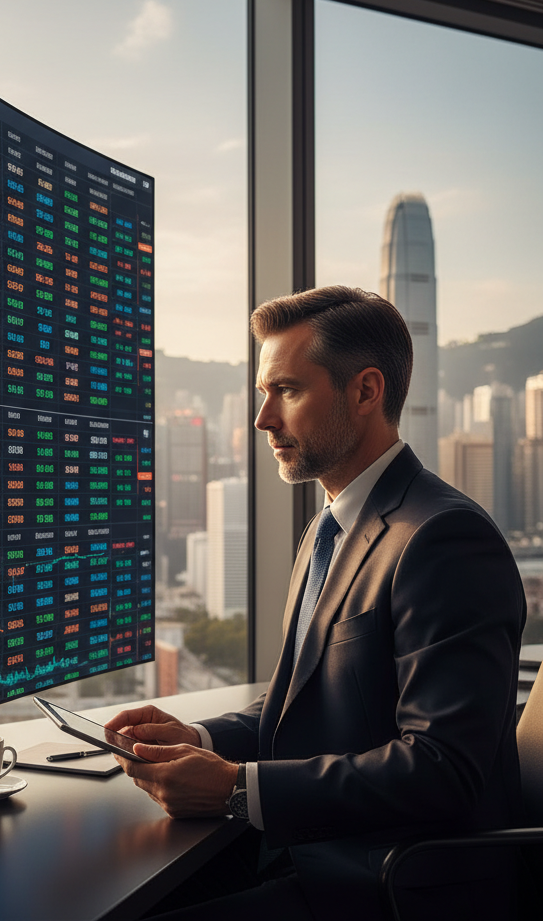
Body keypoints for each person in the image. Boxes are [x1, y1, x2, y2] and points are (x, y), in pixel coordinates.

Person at [108, 286, 525, 920]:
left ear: (366, 391)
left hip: (381, 886)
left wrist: (235, 789)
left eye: (287, 391)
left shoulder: (444, 538)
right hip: (306, 852)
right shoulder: (328, 529)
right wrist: (197, 738)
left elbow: (443, 769)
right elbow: (303, 706)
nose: (262, 419)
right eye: (263, 392)